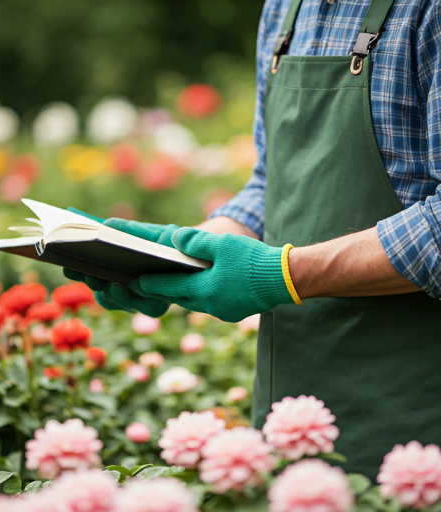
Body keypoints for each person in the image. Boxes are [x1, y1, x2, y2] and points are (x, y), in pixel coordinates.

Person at [66, 0, 441, 480]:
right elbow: (271, 181)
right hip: (289, 402)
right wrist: (176, 253)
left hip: (412, 418)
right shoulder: (285, 8)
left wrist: (281, 274)